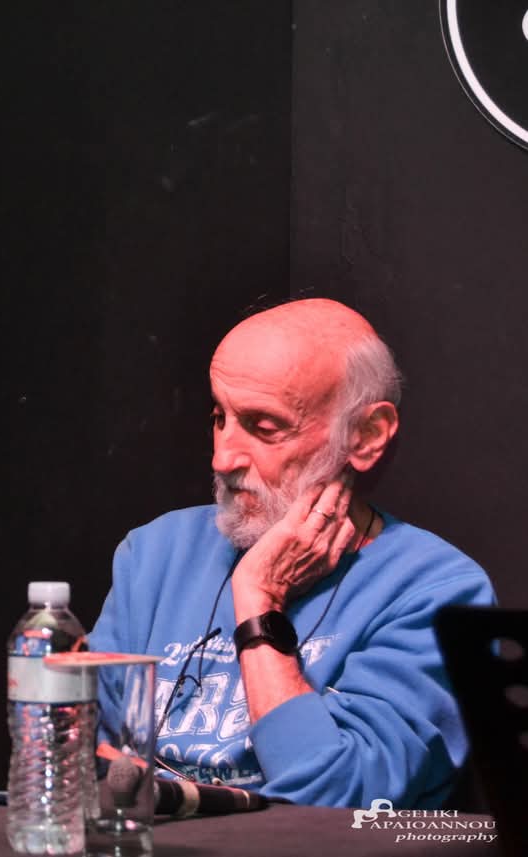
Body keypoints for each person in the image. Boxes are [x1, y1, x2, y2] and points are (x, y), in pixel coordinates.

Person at [87, 298, 495, 809]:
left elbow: (337, 799)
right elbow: (83, 761)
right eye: (219, 417)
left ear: (366, 436)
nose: (223, 457)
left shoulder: (436, 590)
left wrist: (259, 602)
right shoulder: (155, 554)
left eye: (264, 427)